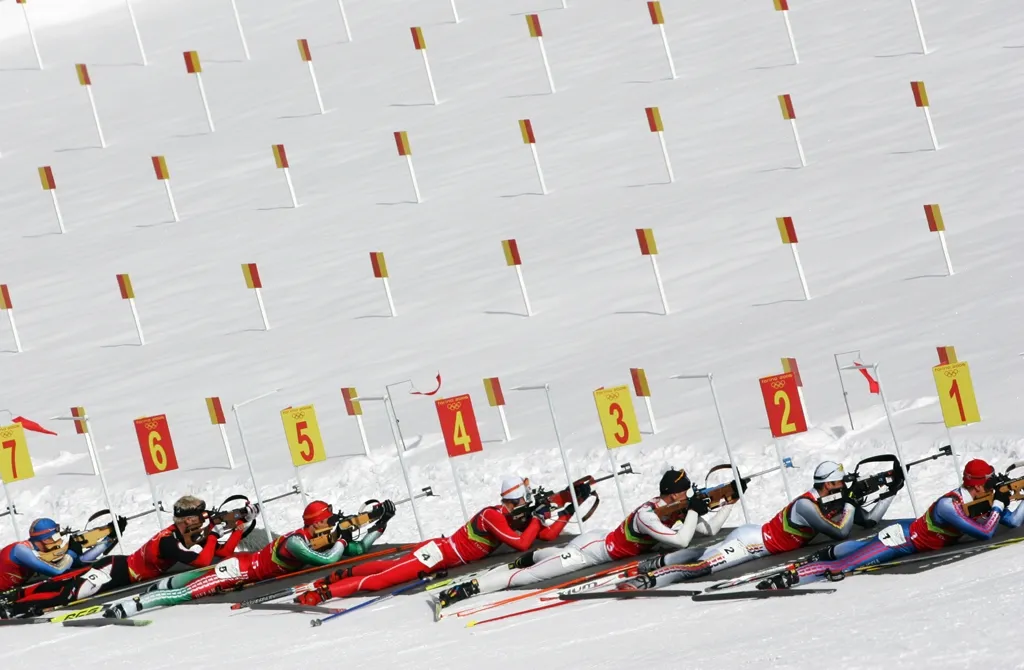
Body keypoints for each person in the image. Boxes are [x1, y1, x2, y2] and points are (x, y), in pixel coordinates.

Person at [435, 468, 729, 610]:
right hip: (588, 552)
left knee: (550, 558)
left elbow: (708, 531)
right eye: (686, 492)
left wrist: (729, 501)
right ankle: (468, 589)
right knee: (528, 578)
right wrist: (693, 510)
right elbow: (681, 541)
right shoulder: (648, 514)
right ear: (674, 494)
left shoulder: (672, 509)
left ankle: (531, 556)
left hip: (597, 541)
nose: (689, 495)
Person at [295, 476, 573, 606]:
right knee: (382, 580)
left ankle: (335, 577)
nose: (527, 504)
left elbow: (545, 535)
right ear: (516, 499)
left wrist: (568, 510)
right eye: (525, 499)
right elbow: (523, 544)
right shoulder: (493, 515)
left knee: (386, 568)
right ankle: (323, 593)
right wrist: (538, 517)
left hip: (439, 554)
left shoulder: (511, 518)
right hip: (436, 555)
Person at [625, 460, 894, 590]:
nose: (844, 487)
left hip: (754, 538)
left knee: (706, 554)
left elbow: (869, 520)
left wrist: (891, 491)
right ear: (828, 484)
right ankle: (646, 581)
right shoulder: (806, 505)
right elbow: (841, 532)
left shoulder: (833, 501)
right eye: (840, 483)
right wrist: (849, 503)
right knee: (702, 567)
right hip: (750, 544)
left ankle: (658, 562)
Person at [103, 499, 394, 618]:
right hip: (237, 571)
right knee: (184, 594)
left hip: (243, 567)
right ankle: (128, 606)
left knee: (191, 581)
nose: (331, 524)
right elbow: (327, 561)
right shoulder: (295, 542)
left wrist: (380, 525)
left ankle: (157, 588)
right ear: (317, 522)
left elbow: (358, 550)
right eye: (329, 520)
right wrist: (342, 538)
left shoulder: (317, 537)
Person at [759, 458, 1024, 589]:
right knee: (845, 567)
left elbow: (1012, 522)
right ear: (977, 485)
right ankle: (787, 578)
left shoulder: (978, 500)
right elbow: (985, 533)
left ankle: (823, 554)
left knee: (859, 549)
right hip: (899, 540)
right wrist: (999, 503)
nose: (992, 489)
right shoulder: (949, 505)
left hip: (910, 535)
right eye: (989, 484)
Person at [2, 496, 246, 618]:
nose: (203, 520)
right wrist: (213, 534)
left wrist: (238, 529)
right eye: (200, 517)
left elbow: (221, 553)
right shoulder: (169, 541)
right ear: (188, 520)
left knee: (66, 585)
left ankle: (14, 599)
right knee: (67, 594)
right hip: (114, 571)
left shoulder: (184, 535)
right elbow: (203, 561)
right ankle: (13, 608)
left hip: (118, 568)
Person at [0, 518, 113, 608]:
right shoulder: (21, 550)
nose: (59, 539)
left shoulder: (37, 552)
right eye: (56, 536)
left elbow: (77, 563)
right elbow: (58, 571)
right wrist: (71, 552)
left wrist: (108, 540)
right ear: (46, 540)